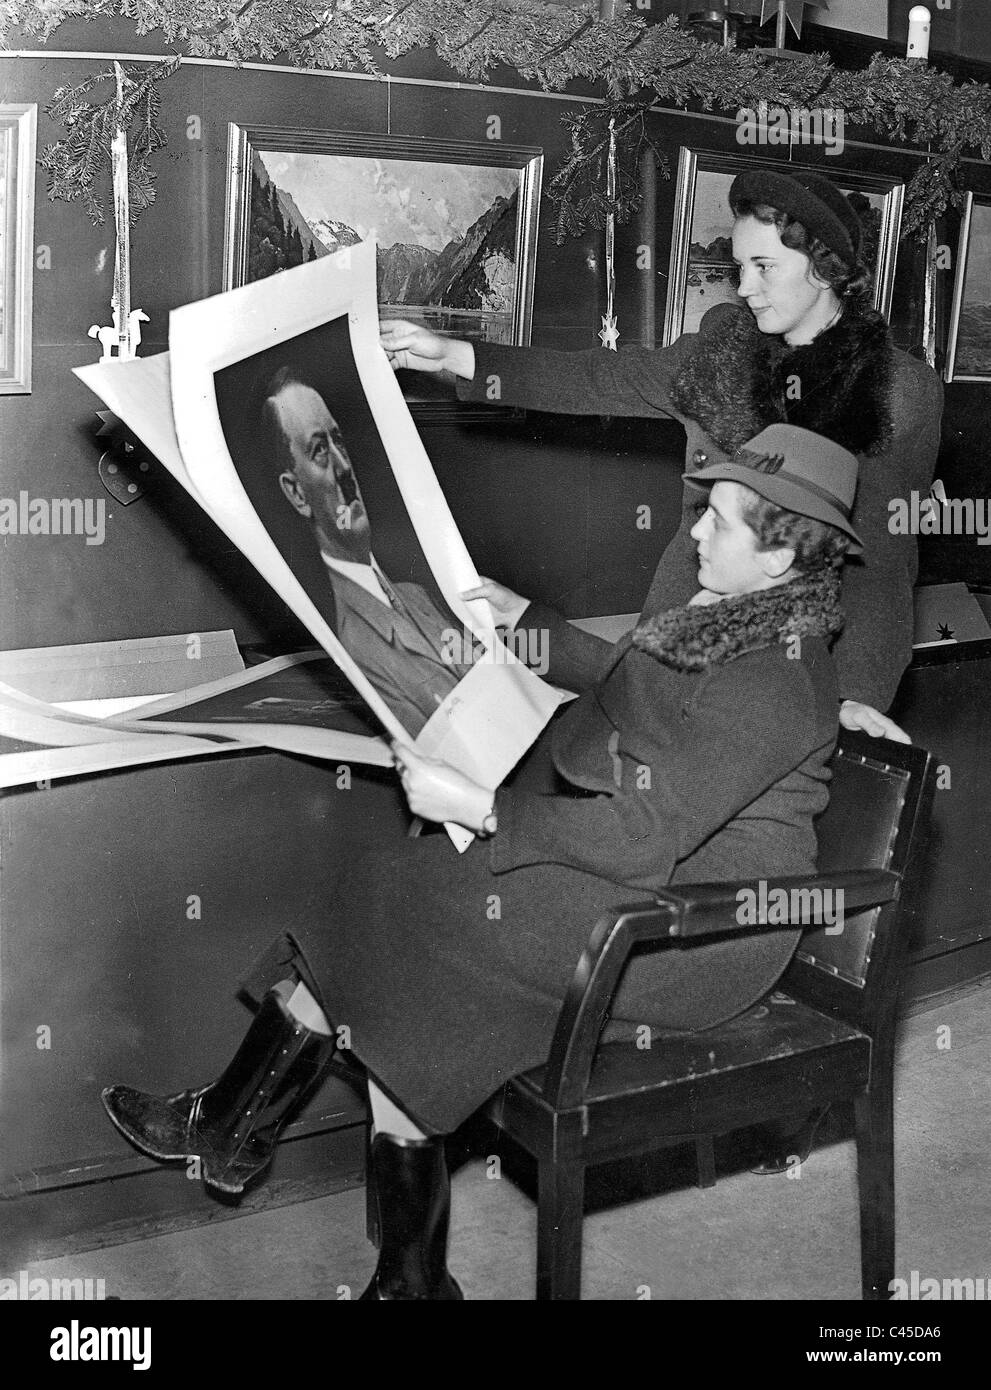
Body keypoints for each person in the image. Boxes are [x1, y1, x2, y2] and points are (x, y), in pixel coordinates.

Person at [103, 424, 863, 1300]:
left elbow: (646, 833)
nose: (694, 533)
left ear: (776, 560)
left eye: (719, 523)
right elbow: (627, 679)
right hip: (642, 887)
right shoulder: (732, 621)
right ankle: (347, 1228)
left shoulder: (772, 678)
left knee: (409, 917)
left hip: (696, 934)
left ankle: (246, 1143)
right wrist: (523, 621)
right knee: (392, 897)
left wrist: (485, 808)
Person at [380, 167, 943, 744]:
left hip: (789, 680)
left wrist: (851, 701)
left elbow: (881, 574)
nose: (745, 288)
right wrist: (452, 353)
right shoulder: (719, 354)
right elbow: (600, 378)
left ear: (825, 269)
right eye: (739, 267)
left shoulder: (897, 392)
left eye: (764, 268)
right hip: (669, 644)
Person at [260, 365, 474, 736]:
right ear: (296, 493)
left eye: (339, 441)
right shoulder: (355, 645)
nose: (345, 468)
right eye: (320, 452)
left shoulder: (415, 596)